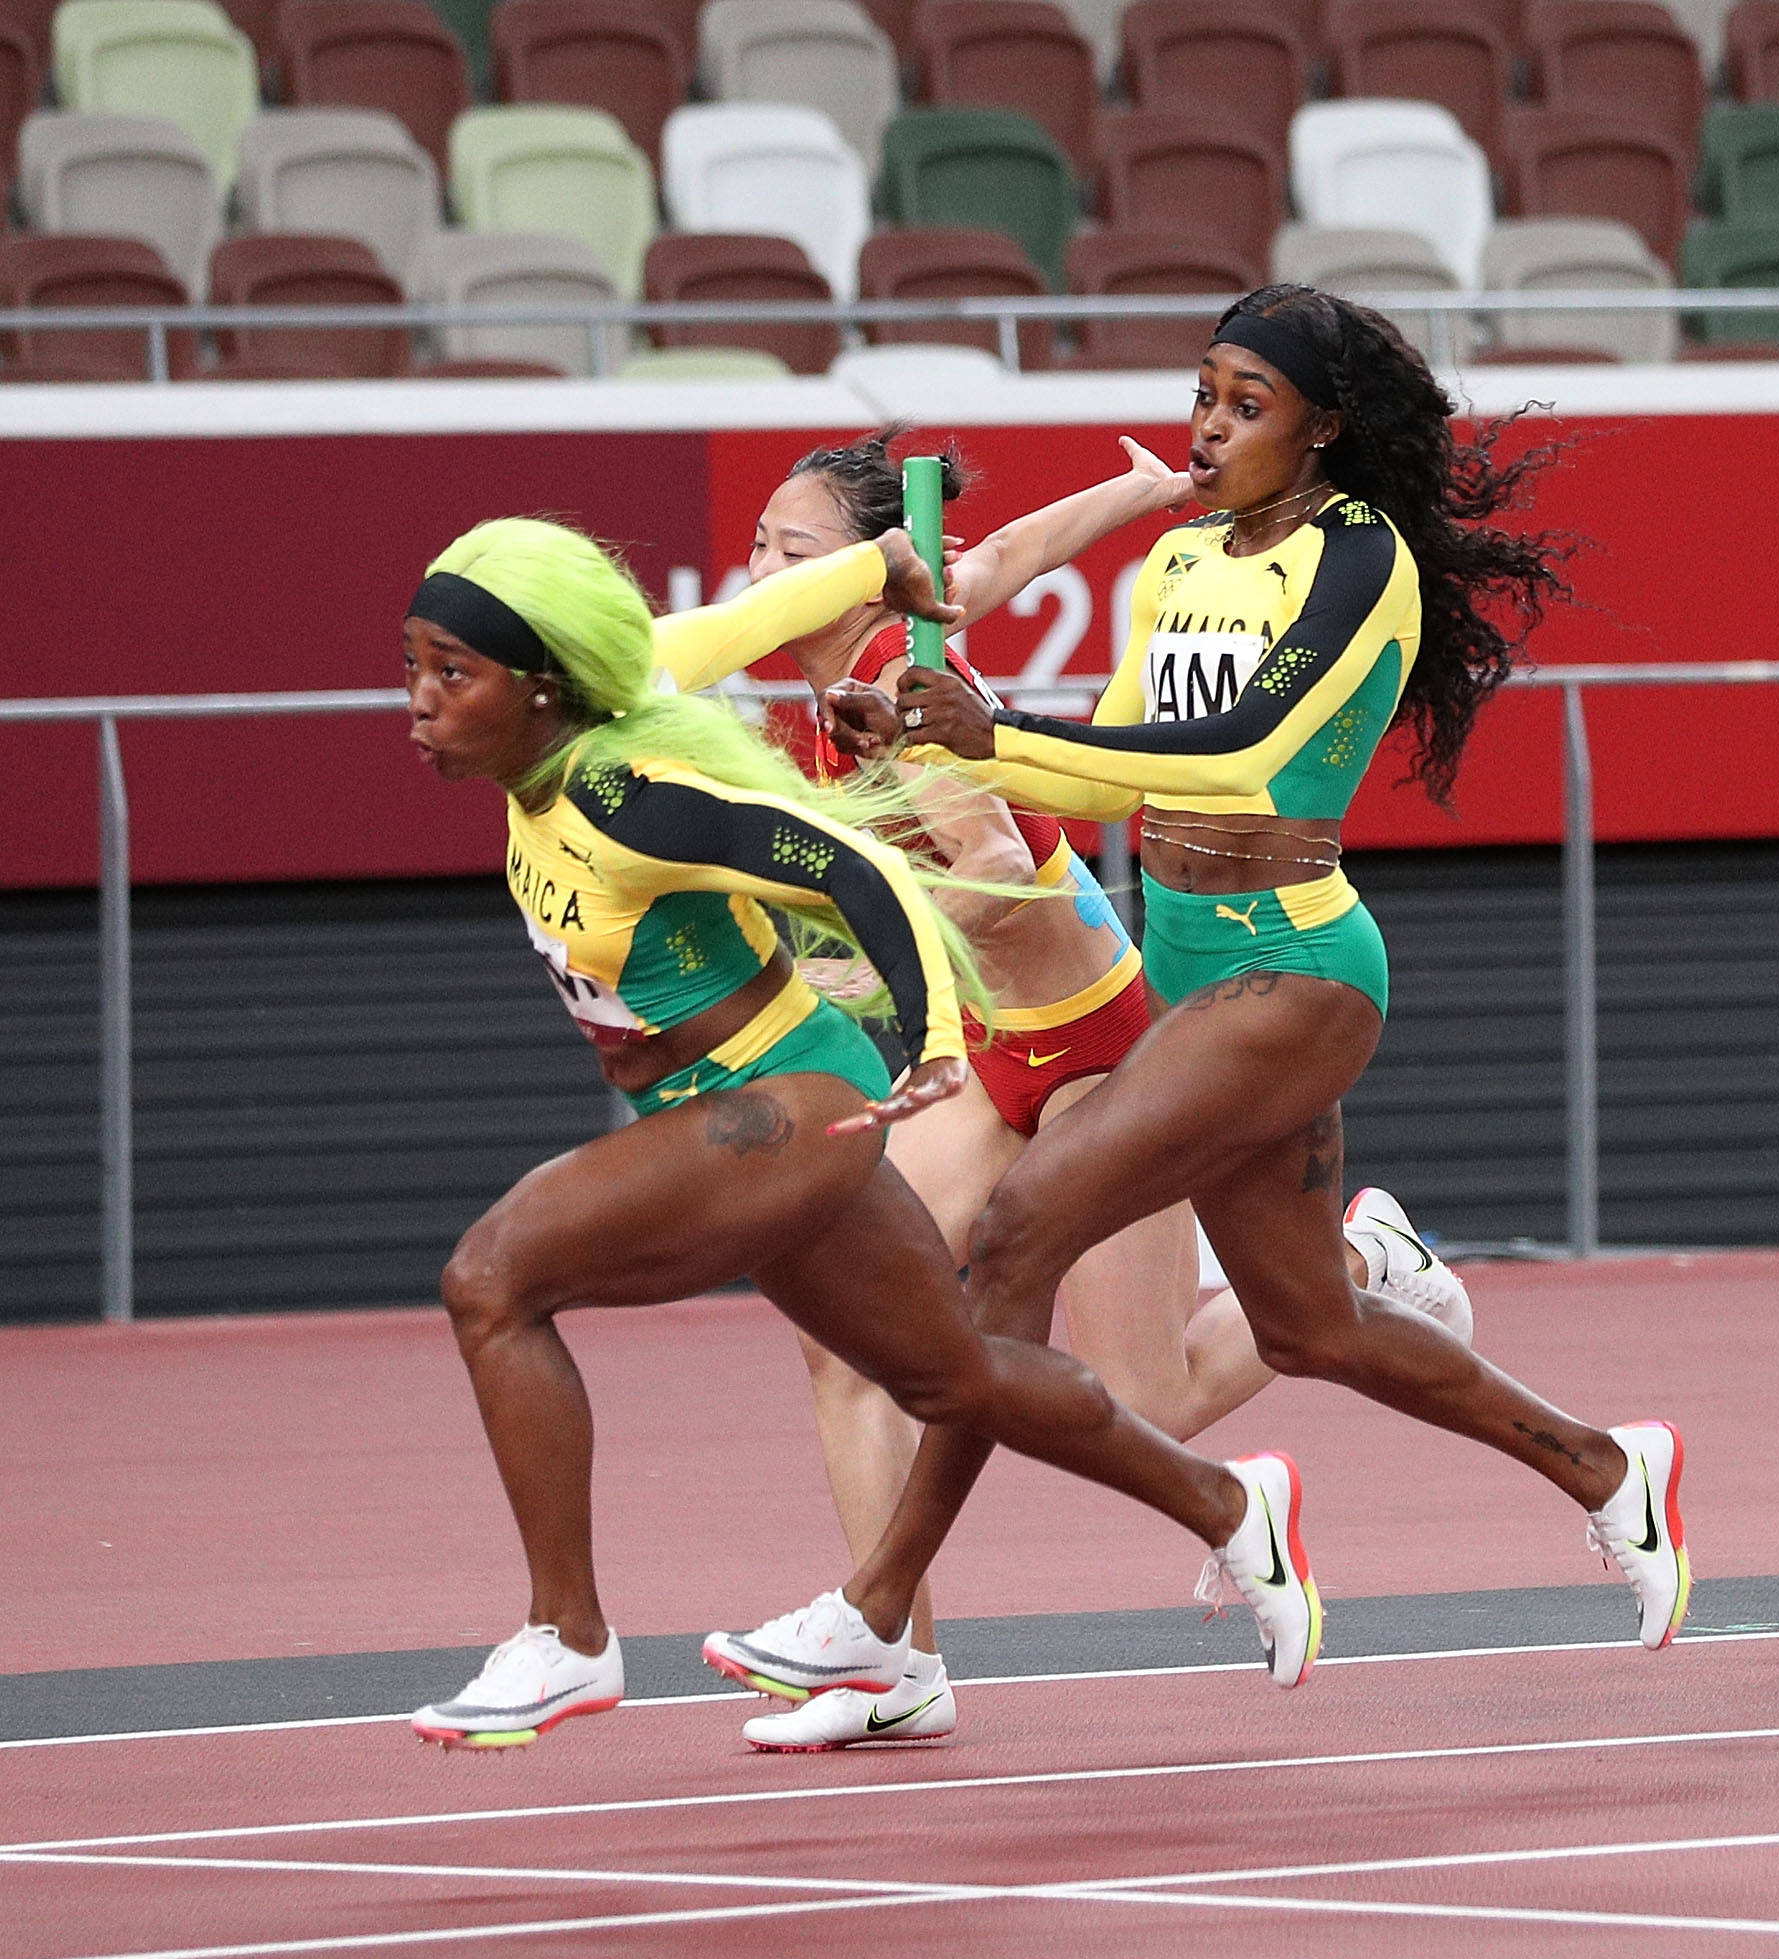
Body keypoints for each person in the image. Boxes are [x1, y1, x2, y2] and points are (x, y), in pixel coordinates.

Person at [815, 282, 1694, 1650]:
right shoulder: (1181, 563)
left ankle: (878, 1617)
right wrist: (923, 737)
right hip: (1190, 961)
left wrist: (993, 730)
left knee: (1020, 1227)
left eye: (1246, 404)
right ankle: (1606, 1464)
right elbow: (1111, 776)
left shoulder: (1361, 559)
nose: (1209, 429)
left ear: (1325, 428)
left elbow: (1239, 757)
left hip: (1298, 968)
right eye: (1201, 396)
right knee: (1309, 1330)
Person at [400, 517, 1322, 1750]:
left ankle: (566, 1641)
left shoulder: (630, 800)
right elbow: (743, 625)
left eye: (450, 672)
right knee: (949, 1372)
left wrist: (937, 1033)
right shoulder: (604, 705)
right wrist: (874, 566)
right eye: (412, 664)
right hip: (727, 1109)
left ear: (542, 685)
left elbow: (856, 868)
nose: (418, 701)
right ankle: (1227, 1506)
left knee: (492, 1277)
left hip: (791, 1108)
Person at [681, 429, 1471, 1750]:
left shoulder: (902, 687)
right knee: (841, 1329)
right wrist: (1147, 489)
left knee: (1149, 1395)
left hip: (1101, 1050)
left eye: (789, 551)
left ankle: (1365, 1259)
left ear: (866, 578)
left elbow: (986, 864)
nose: (758, 568)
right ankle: (893, 1664)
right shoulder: (855, 658)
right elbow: (1005, 553)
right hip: (996, 1057)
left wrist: (877, 898)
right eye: (758, 544)